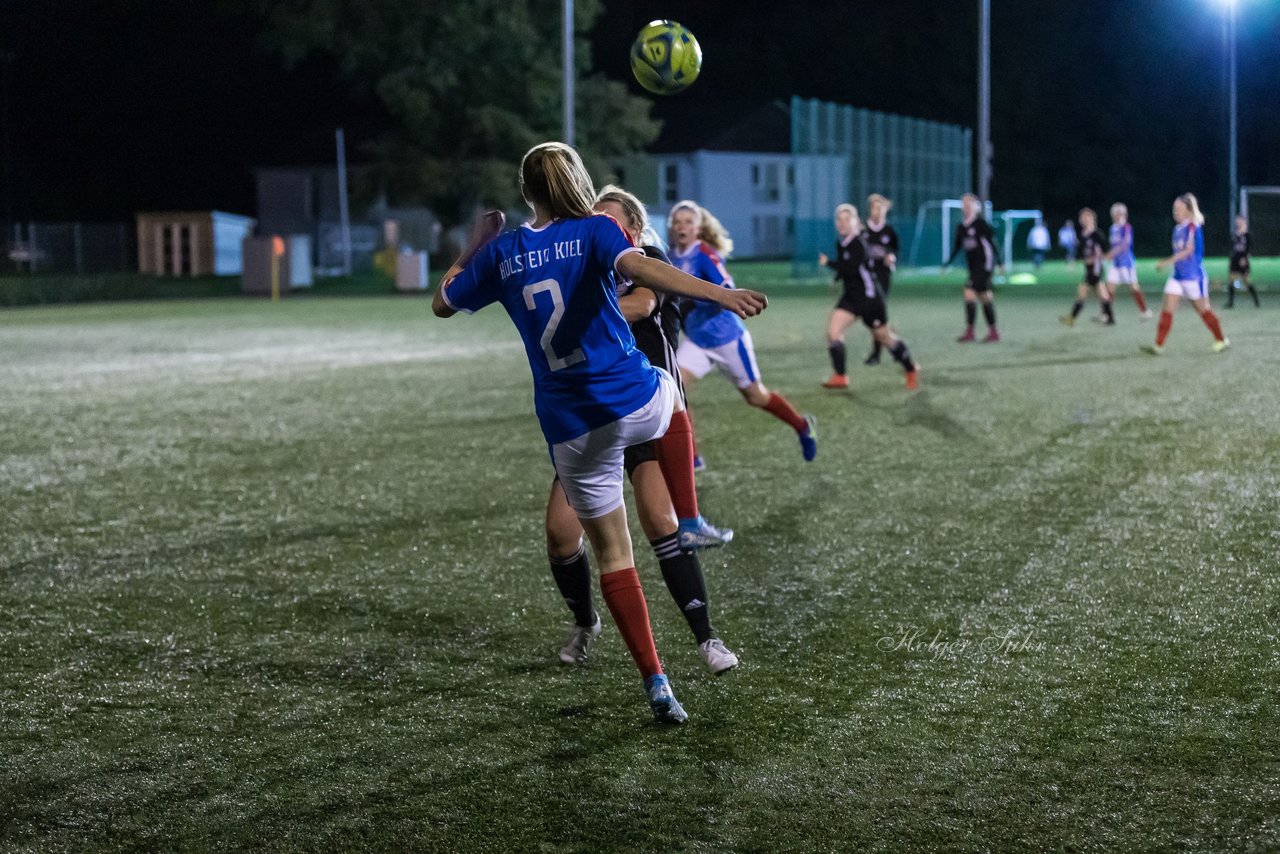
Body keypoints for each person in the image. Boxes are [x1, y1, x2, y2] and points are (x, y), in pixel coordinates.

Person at [433, 142, 767, 723]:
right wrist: (721, 294)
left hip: (571, 425)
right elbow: (642, 269)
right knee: (669, 386)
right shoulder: (595, 230)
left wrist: (474, 247)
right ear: (579, 182)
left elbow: (440, 304)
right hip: (631, 400)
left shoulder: (504, 252)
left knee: (614, 553)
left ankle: (657, 683)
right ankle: (691, 517)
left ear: (525, 192)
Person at [546, 184, 739, 676]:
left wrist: (579, 314)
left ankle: (707, 638)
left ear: (631, 229)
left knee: (660, 521)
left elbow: (644, 305)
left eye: (610, 222)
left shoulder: (648, 258)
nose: (601, 230)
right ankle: (586, 622)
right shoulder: (588, 271)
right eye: (596, 222)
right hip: (592, 416)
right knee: (560, 533)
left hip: (648, 411)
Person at [670, 200, 817, 462]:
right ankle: (692, 454)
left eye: (688, 222)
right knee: (674, 389)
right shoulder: (671, 257)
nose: (682, 226)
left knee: (756, 396)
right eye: (677, 222)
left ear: (698, 227)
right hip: (697, 340)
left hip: (726, 338)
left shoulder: (703, 253)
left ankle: (802, 426)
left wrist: (703, 296)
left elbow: (726, 284)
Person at [819, 203, 920, 390]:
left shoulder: (859, 243)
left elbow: (850, 267)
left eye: (846, 219)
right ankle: (840, 376)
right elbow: (845, 267)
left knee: (884, 337)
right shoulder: (842, 243)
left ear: (855, 222)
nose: (842, 223)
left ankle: (911, 368)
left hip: (869, 299)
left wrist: (829, 264)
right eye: (839, 219)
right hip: (850, 298)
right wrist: (835, 279)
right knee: (833, 332)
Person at [1143, 193, 1229, 355]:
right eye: (1174, 208)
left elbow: (1188, 251)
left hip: (1194, 277)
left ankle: (1221, 340)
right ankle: (1158, 345)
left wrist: (1166, 262)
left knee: (1204, 311)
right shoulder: (1177, 229)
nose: (1175, 211)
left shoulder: (1192, 227)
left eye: (1179, 209)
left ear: (1189, 211)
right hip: (1178, 277)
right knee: (1167, 308)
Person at [944, 193, 1004, 342]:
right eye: (963, 204)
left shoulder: (981, 224)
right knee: (984, 297)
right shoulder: (961, 227)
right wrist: (947, 263)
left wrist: (1000, 262)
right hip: (973, 267)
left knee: (970, 293)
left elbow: (993, 244)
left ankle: (973, 332)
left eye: (968, 204)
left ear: (975, 206)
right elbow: (957, 247)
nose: (965, 207)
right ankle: (992, 332)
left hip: (984, 265)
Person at [861, 194, 900, 365]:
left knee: (876, 313)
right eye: (874, 208)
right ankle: (890, 339)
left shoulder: (889, 231)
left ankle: (876, 353)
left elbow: (896, 249)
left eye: (880, 208)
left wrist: (892, 256)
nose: (877, 211)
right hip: (866, 277)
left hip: (883, 276)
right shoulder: (863, 231)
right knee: (872, 315)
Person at [1060, 208, 1114, 326]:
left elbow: (1106, 251)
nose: (1084, 220)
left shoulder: (1097, 234)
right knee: (1101, 294)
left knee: (1083, 291)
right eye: (1082, 218)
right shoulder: (1082, 235)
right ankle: (1110, 318)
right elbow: (1081, 253)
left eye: (1087, 217)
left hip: (1096, 268)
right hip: (1089, 268)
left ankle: (1072, 317)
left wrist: (1095, 259)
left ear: (1092, 219)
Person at [1104, 203, 1153, 320]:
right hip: (1116, 263)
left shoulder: (1126, 227)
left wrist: (1111, 253)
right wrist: (1111, 254)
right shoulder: (1112, 229)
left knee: (1133, 287)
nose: (1117, 216)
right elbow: (1114, 245)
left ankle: (1145, 311)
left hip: (1126, 263)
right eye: (1115, 213)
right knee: (1109, 287)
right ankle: (1107, 314)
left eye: (1120, 213)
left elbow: (1125, 245)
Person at [1225, 215, 1259, 308]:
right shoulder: (1235, 234)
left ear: (1243, 222)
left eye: (1240, 221)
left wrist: (1245, 258)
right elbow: (1232, 247)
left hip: (1242, 259)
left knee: (1247, 281)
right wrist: (1230, 258)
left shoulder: (1247, 234)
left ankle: (1256, 301)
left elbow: (1249, 247)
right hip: (1235, 259)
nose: (1238, 223)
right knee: (1231, 280)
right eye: (1237, 221)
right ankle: (1230, 302)